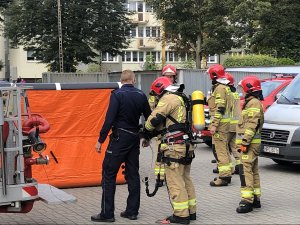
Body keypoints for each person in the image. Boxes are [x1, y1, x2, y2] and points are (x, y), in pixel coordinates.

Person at [91, 70, 151, 223]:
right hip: (134, 139)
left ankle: (107, 213)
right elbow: (149, 117)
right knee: (133, 174)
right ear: (133, 80)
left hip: (119, 139)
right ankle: (132, 211)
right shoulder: (141, 95)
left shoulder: (117, 95)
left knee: (109, 174)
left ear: (121, 80)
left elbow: (109, 119)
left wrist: (100, 140)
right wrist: (147, 136)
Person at [143, 77, 196, 224]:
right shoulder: (183, 98)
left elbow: (154, 119)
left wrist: (146, 132)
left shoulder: (168, 98)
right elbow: (170, 124)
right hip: (186, 145)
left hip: (174, 147)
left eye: (156, 93)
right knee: (186, 179)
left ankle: (181, 215)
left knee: (175, 182)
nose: (157, 97)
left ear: (160, 89)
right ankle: (191, 212)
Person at [236, 76, 264, 213]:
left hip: (250, 143)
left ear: (249, 88)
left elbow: (252, 124)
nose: (242, 91)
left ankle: (247, 201)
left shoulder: (253, 103)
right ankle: (256, 198)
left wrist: (245, 142)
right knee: (253, 170)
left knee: (245, 170)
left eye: (243, 89)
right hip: (253, 143)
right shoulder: (252, 102)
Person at [148, 64, 178, 187]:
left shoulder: (176, 90)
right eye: (167, 76)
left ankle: (168, 175)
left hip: (172, 126)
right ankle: (159, 177)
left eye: (171, 76)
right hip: (160, 126)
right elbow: (152, 107)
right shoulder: (156, 90)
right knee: (160, 151)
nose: (170, 79)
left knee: (170, 152)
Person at [207, 64, 232, 186]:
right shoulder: (224, 87)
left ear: (213, 75)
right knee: (224, 149)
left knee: (220, 150)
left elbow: (220, 108)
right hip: (224, 123)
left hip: (220, 124)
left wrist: (214, 124)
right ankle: (228, 172)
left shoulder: (220, 88)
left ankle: (224, 177)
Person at [225, 72, 241, 175]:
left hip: (227, 125)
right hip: (236, 124)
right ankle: (240, 166)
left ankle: (225, 169)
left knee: (223, 148)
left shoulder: (226, 94)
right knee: (235, 147)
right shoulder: (235, 94)